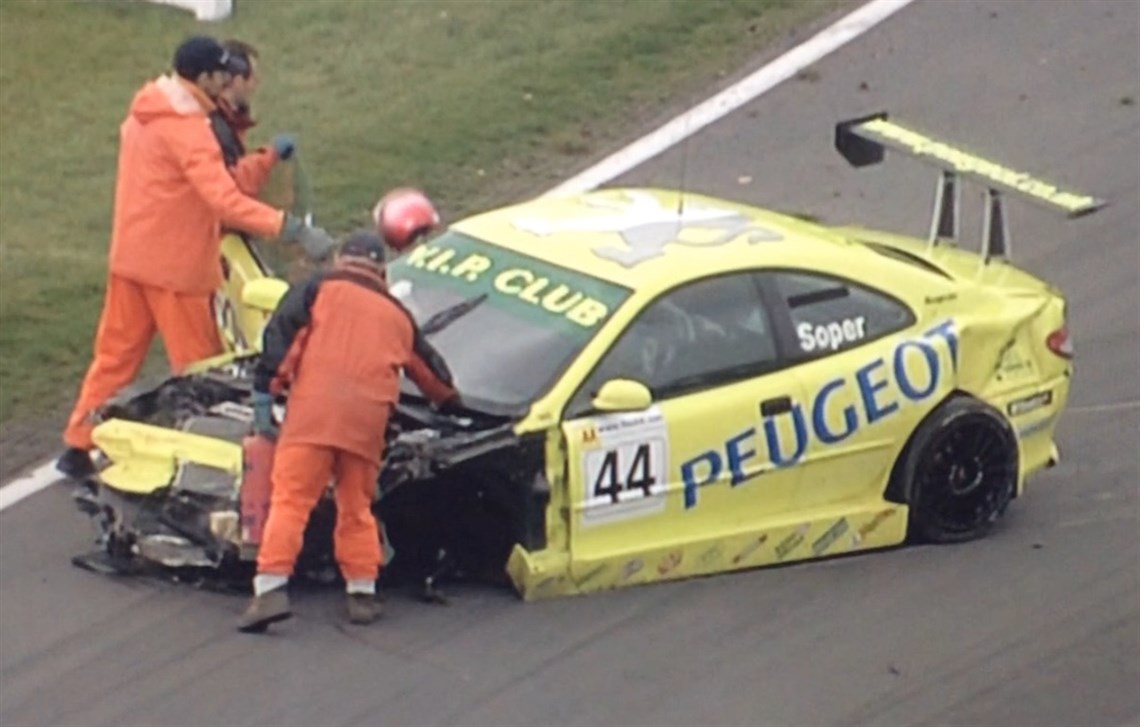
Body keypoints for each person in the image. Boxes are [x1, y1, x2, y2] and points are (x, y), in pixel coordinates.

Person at [57, 35, 337, 480]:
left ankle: (78, 443)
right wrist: (291, 228)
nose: (228, 79)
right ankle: (204, 464)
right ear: (204, 77)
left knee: (114, 358)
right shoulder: (190, 129)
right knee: (201, 370)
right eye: (222, 73)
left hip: (131, 259)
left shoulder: (143, 113)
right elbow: (224, 198)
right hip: (177, 270)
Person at [238, 230, 460, 633]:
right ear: (380, 269)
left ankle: (270, 590)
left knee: (290, 502)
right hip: (366, 424)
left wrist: (263, 395)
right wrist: (451, 405)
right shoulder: (397, 316)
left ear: (341, 258)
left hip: (312, 416)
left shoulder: (316, 289)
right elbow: (434, 376)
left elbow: (281, 340)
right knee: (356, 506)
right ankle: (362, 593)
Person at [209, 39, 289, 198]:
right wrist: (270, 155)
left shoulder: (223, 117)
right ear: (238, 81)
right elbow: (233, 186)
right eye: (253, 77)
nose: (256, 83)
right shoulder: (216, 127)